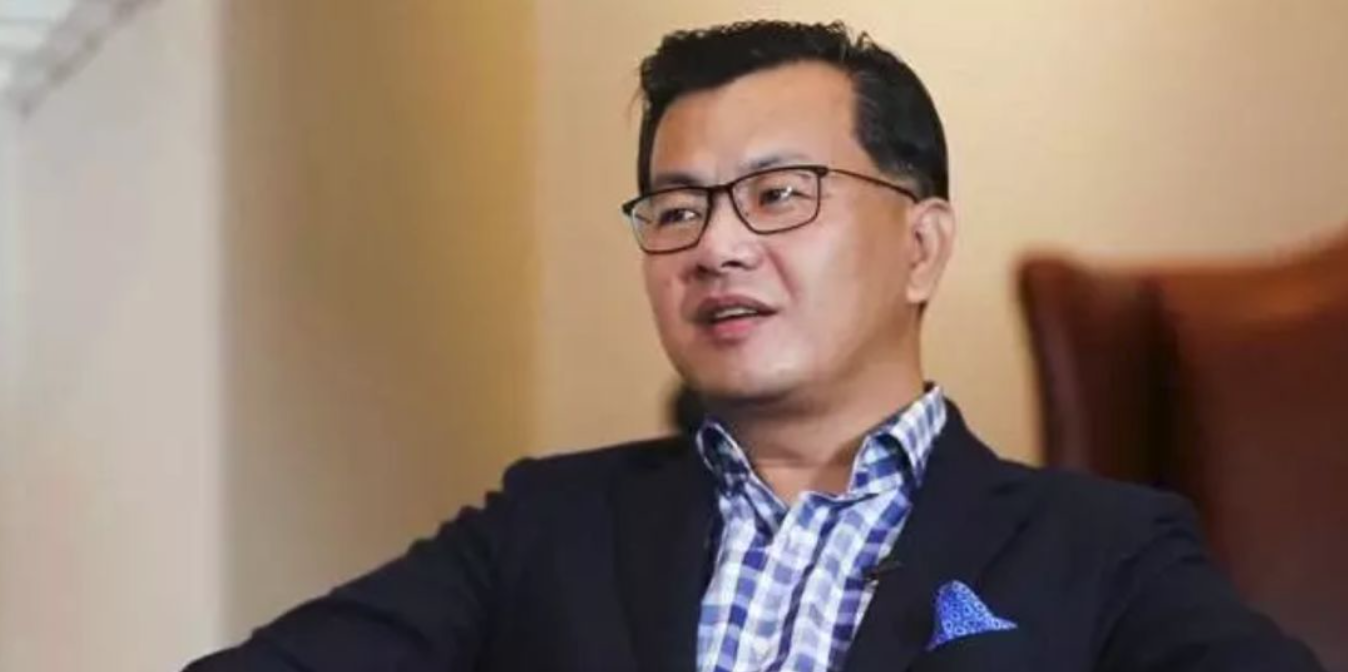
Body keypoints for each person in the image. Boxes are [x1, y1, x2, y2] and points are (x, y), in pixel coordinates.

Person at [186, 20, 1324, 672]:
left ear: (921, 246)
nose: (716, 246)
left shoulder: (1102, 549)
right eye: (676, 209)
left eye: (779, 194)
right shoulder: (547, 528)